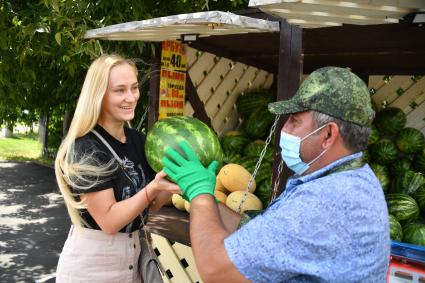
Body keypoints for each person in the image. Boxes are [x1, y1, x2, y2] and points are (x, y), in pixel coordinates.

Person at [162, 66, 390, 282]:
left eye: (294, 121)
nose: (284, 129)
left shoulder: (324, 202)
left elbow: (215, 269)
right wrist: (204, 196)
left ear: (328, 135)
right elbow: (261, 237)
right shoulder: (357, 180)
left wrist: (201, 197)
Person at [54, 54, 180, 282]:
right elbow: (109, 221)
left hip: (132, 258)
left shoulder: (138, 140)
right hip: (92, 266)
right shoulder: (85, 148)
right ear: (99, 95)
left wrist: (175, 180)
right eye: (120, 90)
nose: (131, 98)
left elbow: (149, 206)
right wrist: (153, 188)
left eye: (134, 88)